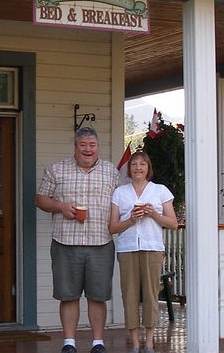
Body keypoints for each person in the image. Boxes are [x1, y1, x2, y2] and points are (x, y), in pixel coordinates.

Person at [35, 127, 119, 353]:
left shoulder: (112, 172)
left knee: (97, 295)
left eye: (92, 145)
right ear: (75, 147)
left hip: (101, 242)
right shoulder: (56, 169)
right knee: (68, 295)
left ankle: (98, 343)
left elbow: (121, 202)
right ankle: (69, 343)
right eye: (83, 145)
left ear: (98, 147)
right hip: (65, 242)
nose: (88, 149)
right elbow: (41, 199)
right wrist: (60, 206)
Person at [109, 151, 178, 353]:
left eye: (142, 164)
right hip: (127, 249)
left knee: (150, 295)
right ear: (129, 169)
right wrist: (131, 219)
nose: (138, 168)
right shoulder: (120, 193)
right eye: (134, 164)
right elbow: (112, 227)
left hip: (152, 248)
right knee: (129, 295)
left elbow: (173, 223)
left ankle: (149, 343)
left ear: (148, 168)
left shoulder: (160, 191)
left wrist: (153, 214)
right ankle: (135, 344)